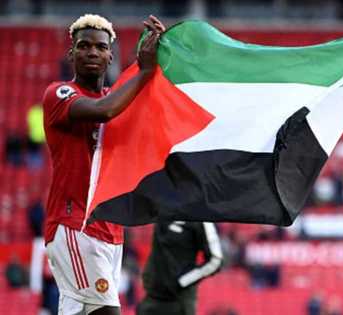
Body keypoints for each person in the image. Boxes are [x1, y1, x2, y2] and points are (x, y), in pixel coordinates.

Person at [42, 13, 165, 315]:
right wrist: (143, 71)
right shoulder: (60, 93)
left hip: (111, 228)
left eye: (99, 47)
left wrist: (162, 51)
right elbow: (103, 111)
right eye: (83, 46)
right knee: (108, 311)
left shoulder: (116, 96)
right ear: (71, 54)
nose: (92, 53)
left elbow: (151, 105)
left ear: (110, 55)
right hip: (75, 224)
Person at [137, 221, 223, 315]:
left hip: (179, 301)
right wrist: (148, 275)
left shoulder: (201, 216)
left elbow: (216, 260)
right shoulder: (163, 208)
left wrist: (182, 281)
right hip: (152, 297)